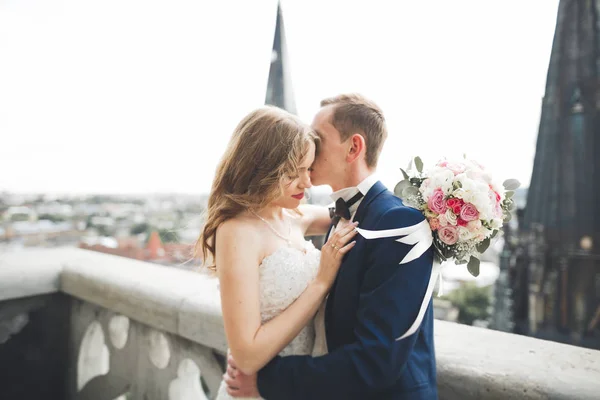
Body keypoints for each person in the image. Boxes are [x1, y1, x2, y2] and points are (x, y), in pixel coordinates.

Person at [225, 94, 437, 399]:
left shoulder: (398, 223)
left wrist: (267, 381)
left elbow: (376, 362)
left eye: (317, 139)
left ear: (354, 147)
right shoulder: (342, 214)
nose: (307, 147)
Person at [197, 105, 358, 400]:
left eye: (308, 169)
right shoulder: (237, 231)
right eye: (292, 173)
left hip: (301, 386)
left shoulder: (298, 216)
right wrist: (321, 282)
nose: (307, 183)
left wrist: (437, 208)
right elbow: (247, 356)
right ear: (260, 169)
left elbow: (363, 215)